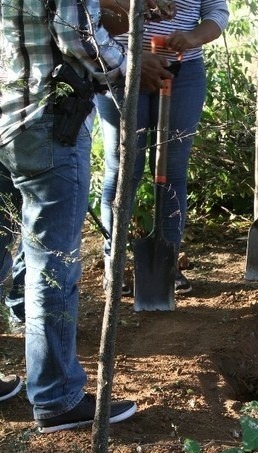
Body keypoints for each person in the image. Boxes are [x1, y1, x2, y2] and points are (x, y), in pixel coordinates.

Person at [0, 0, 172, 431]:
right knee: (51, 265)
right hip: (47, 120)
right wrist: (133, 66)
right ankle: (57, 397)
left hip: (5, 115)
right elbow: (77, 36)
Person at [96, 0, 229, 294]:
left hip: (184, 70)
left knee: (172, 168)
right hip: (120, 66)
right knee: (123, 169)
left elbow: (217, 13)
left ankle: (167, 261)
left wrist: (193, 37)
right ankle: (114, 264)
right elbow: (90, 10)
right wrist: (130, 55)